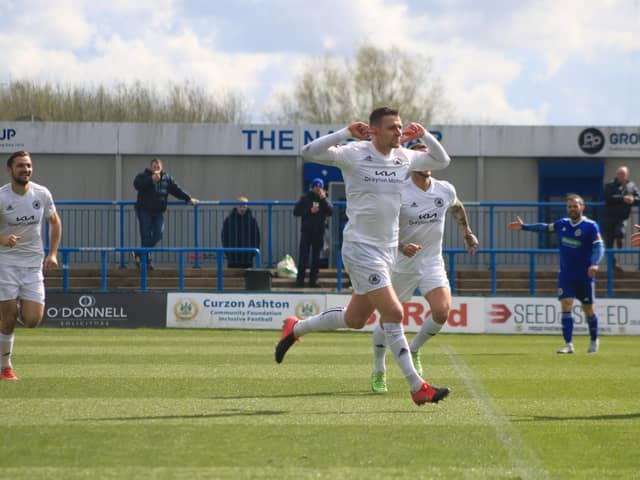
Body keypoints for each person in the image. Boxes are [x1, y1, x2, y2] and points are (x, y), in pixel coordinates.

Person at [275, 106, 453, 406]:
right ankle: (416, 386)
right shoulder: (354, 153)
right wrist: (344, 132)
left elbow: (442, 160)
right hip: (360, 248)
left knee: (355, 319)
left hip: (387, 251)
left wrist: (424, 135)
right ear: (374, 130)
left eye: (400, 126)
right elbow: (307, 151)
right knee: (394, 314)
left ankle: (296, 327)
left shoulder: (404, 157)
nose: (399, 132)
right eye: (392, 128)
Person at [370, 141, 479, 393]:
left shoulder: (444, 189)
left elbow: (457, 206)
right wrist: (401, 245)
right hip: (402, 264)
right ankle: (378, 368)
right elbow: (383, 228)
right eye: (420, 157)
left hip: (432, 262)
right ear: (412, 163)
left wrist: (467, 233)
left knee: (442, 311)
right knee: (388, 319)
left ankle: (415, 348)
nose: (426, 162)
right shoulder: (399, 192)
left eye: (428, 157)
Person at [508, 194, 604, 354]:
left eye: (575, 206)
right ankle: (568, 344)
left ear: (582, 207)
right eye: (570, 207)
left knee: (588, 309)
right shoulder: (562, 224)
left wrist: (595, 263)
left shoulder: (591, 226)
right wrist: (525, 227)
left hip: (585, 276)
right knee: (566, 304)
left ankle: (594, 339)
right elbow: (544, 227)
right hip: (566, 275)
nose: (572, 209)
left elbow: (598, 247)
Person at [0, 150, 61, 381]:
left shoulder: (41, 194)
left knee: (32, 320)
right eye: (20, 166)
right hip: (5, 263)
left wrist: (53, 254)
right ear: (9, 170)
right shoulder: (2, 197)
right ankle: (5, 367)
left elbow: (55, 221)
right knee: (8, 319)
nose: (25, 170)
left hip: (33, 265)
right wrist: (3, 240)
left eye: (28, 166)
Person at [133, 158, 198, 270]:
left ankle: (139, 253)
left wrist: (188, 198)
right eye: (154, 167)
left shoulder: (167, 178)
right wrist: (151, 179)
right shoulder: (143, 175)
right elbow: (137, 185)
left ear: (161, 167)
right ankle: (148, 262)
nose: (156, 169)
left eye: (158, 167)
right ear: (151, 167)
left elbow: (177, 190)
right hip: (144, 210)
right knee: (146, 235)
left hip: (158, 212)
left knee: (158, 234)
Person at [293, 177, 334, 287]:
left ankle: (313, 280)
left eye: (320, 186)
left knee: (316, 258)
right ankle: (300, 280)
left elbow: (330, 211)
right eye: (316, 186)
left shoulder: (324, 198)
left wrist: (324, 199)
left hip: (319, 231)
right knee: (303, 256)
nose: (318, 188)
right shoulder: (305, 198)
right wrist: (309, 211)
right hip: (306, 231)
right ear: (312, 187)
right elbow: (296, 212)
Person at [602, 166, 639, 272]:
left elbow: (638, 197)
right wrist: (623, 198)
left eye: (623, 174)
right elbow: (607, 198)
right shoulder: (609, 185)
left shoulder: (631, 185)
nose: (621, 176)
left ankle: (619, 239)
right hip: (608, 218)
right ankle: (612, 265)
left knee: (620, 232)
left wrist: (632, 199)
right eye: (619, 174)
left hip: (622, 217)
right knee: (608, 244)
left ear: (627, 175)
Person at [221, 196, 261, 268]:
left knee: (247, 276)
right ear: (236, 206)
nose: (242, 208)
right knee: (232, 276)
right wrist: (227, 252)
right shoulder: (229, 220)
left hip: (247, 255)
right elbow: (224, 235)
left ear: (247, 206)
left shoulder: (252, 220)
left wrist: (253, 252)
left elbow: (256, 236)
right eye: (240, 206)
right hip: (232, 255)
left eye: (244, 206)